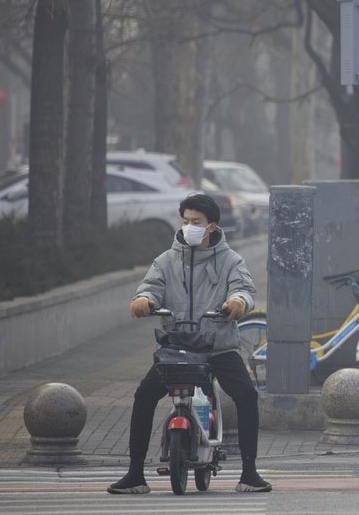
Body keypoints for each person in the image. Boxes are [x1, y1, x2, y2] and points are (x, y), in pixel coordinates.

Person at [108, 193, 271, 495]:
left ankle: (250, 472)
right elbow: (150, 287)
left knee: (247, 395)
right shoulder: (166, 260)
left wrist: (237, 301)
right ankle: (134, 474)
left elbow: (244, 289)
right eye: (185, 221)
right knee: (144, 395)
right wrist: (144, 300)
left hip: (218, 346)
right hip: (177, 347)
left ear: (212, 226)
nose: (189, 227)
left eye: (196, 222)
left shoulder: (231, 261)